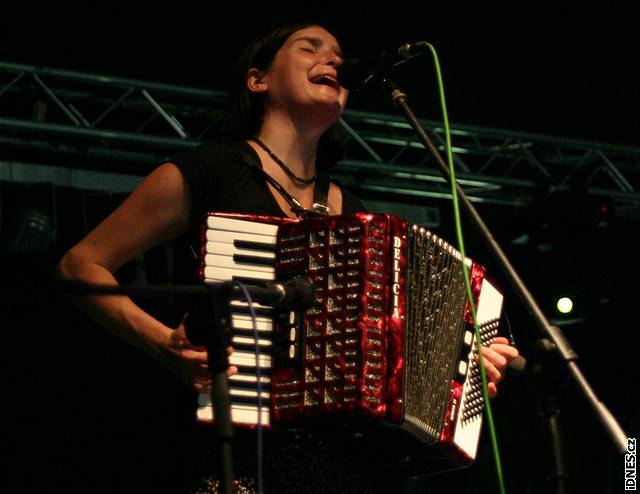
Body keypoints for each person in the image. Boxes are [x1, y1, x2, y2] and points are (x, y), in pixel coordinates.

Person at [56, 21, 519, 493]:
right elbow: (79, 266)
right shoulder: (209, 173)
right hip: (241, 459)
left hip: (343, 468)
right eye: (310, 48)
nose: (334, 60)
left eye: (338, 54)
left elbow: (389, 357)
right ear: (258, 81)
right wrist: (164, 344)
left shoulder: (353, 212)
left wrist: (462, 366)